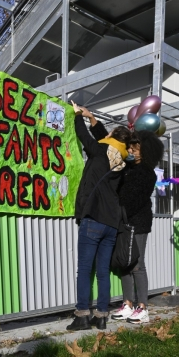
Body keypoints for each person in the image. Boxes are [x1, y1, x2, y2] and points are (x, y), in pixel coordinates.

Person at [66, 103, 131, 331]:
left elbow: (84, 136)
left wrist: (77, 116)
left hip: (93, 217)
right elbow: (104, 138)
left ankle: (82, 315)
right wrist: (92, 117)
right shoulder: (122, 163)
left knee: (85, 269)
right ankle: (101, 316)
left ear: (112, 137)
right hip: (111, 223)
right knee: (102, 271)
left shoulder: (101, 150)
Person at [111, 131, 164, 324]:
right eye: (130, 146)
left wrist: (120, 211)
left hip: (139, 222)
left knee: (137, 264)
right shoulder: (129, 168)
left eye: (136, 147)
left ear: (147, 150)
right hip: (124, 221)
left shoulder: (147, 173)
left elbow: (134, 199)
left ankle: (143, 308)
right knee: (125, 264)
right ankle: (128, 304)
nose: (131, 149)